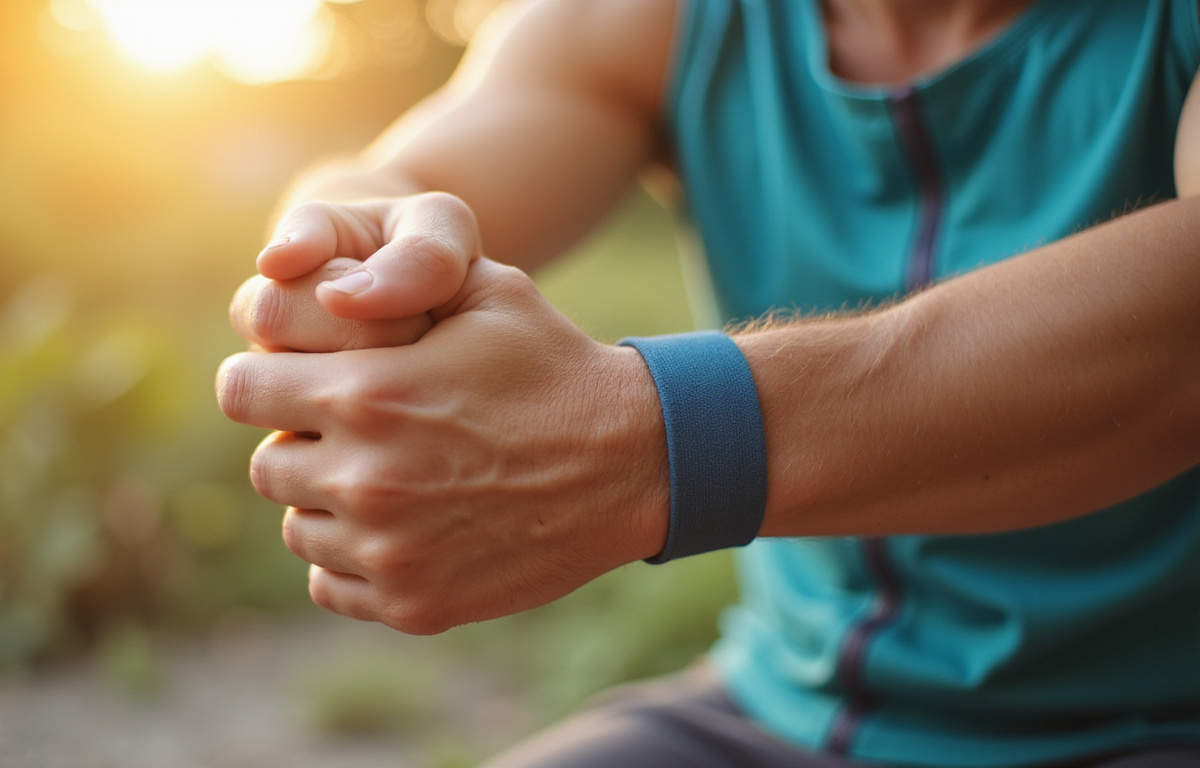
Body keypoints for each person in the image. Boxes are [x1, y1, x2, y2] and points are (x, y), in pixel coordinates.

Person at [216, 0, 1200, 765]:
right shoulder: (674, 19)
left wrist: (661, 444)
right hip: (784, 708)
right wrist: (350, 265)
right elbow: (393, 174)